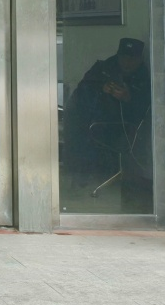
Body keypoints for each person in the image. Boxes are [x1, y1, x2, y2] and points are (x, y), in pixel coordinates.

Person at [63, 38, 152, 196]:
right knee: (75, 127)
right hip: (89, 121)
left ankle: (94, 178)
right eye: (123, 57)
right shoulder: (103, 69)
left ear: (139, 59)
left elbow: (146, 111)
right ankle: (78, 177)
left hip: (121, 128)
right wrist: (101, 89)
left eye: (132, 59)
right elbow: (80, 94)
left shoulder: (144, 78)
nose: (127, 63)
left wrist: (128, 98)